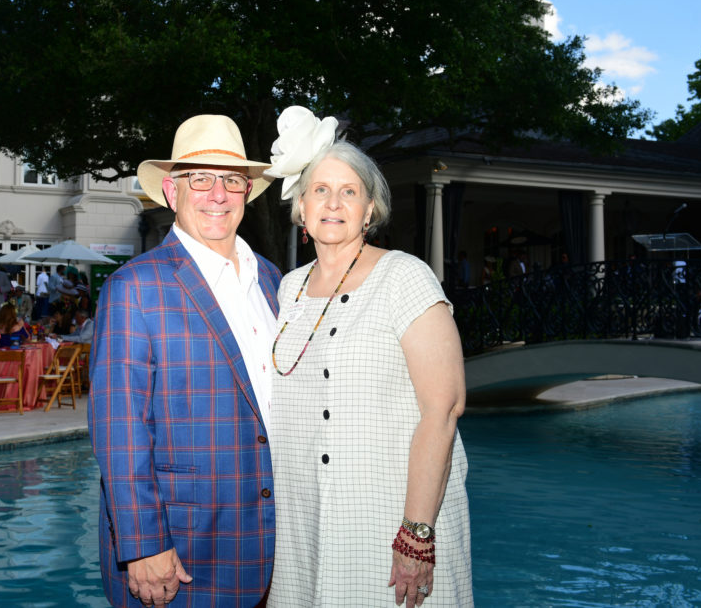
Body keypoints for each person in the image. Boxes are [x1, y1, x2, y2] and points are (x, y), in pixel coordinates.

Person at [262, 106, 472, 606]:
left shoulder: (404, 277)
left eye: (349, 191)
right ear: (301, 208)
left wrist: (416, 533)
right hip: (305, 525)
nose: (333, 202)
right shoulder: (288, 289)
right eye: (320, 190)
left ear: (370, 209)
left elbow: (443, 409)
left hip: (389, 521)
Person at [89, 113, 280, 606]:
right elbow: (119, 427)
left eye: (231, 180)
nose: (217, 193)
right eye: (200, 178)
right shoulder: (134, 287)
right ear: (172, 193)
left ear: (246, 192)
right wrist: (144, 544)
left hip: (275, 550)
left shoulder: (274, 280)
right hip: (181, 555)